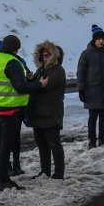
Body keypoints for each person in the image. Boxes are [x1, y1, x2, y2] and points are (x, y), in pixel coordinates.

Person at [0, 35, 47, 191]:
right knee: (6, 145)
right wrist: (39, 84)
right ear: (16, 49)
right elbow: (21, 87)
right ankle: (3, 180)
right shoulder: (13, 62)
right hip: (9, 110)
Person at [77, 24, 104, 148]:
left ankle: (102, 139)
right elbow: (81, 73)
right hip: (92, 91)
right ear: (94, 40)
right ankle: (92, 140)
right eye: (99, 39)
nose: (101, 41)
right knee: (92, 117)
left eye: (103, 39)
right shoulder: (86, 54)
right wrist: (81, 89)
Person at [27, 41, 66, 179]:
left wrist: (34, 84)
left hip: (51, 113)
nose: (44, 57)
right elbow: (37, 86)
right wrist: (31, 80)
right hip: (38, 114)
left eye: (47, 55)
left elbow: (45, 86)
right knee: (42, 145)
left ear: (54, 56)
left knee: (54, 144)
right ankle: (45, 171)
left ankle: (59, 173)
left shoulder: (58, 71)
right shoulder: (41, 70)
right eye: (42, 55)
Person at [0, 38, 27, 176]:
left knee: (4, 140)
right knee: (9, 140)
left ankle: (8, 167)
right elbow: (21, 85)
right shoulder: (14, 62)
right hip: (12, 106)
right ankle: (11, 167)